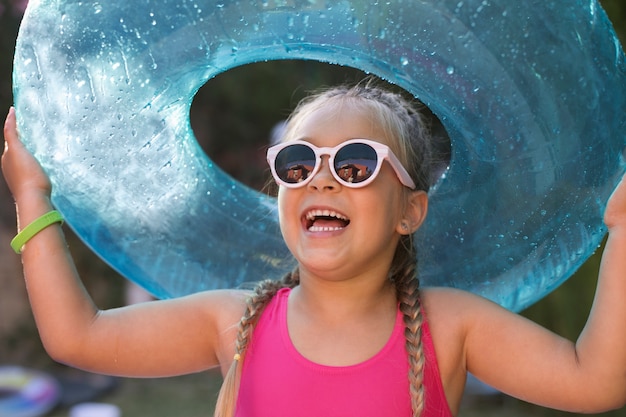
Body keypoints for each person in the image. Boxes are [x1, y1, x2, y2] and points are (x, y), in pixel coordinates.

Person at [3, 81, 626, 417]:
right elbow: (76, 337)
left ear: (411, 209)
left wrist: (622, 229)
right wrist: (31, 194)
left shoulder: (452, 326)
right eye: (297, 163)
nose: (320, 179)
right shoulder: (232, 325)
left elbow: (595, 383)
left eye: (356, 164)